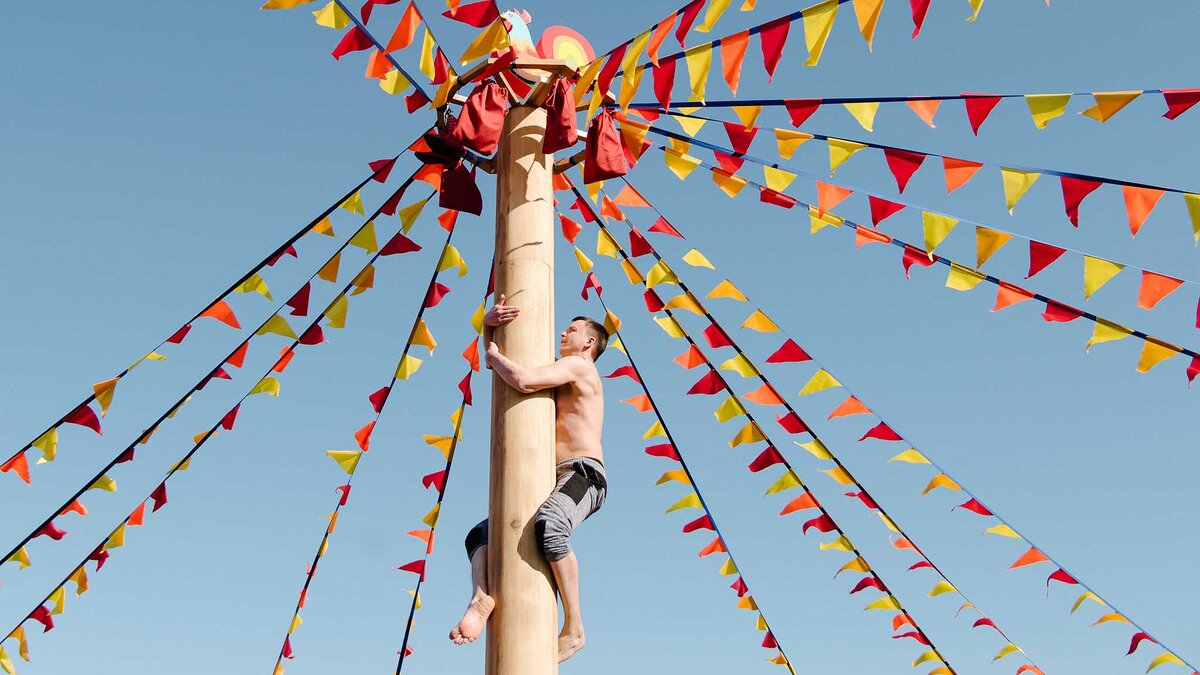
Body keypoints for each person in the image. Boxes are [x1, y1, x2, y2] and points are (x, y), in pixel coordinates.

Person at [448, 294, 609, 663]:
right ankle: (481, 596)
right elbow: (511, 366)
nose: (563, 333)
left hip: (583, 472)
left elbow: (521, 378)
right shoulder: (562, 368)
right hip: (549, 477)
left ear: (588, 342)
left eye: (571, 330)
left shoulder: (580, 367)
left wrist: (492, 355)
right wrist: (489, 328)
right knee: (480, 536)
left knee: (551, 526)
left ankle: (575, 627)